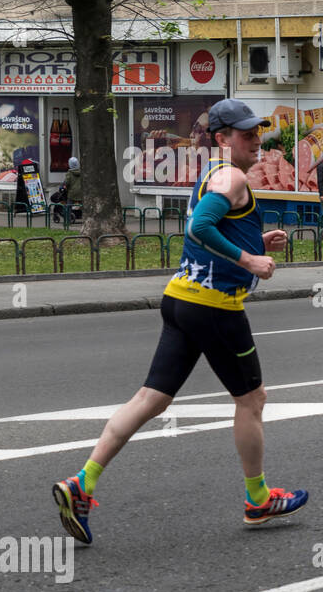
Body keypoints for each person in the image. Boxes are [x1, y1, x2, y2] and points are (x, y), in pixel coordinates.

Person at [52, 99, 308, 545]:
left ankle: (83, 482)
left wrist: (256, 239)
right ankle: (258, 498)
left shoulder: (212, 174)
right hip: (215, 308)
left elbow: (213, 227)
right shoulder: (232, 176)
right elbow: (199, 230)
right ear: (222, 139)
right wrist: (250, 258)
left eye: (257, 132)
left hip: (180, 300)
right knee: (252, 399)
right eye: (245, 133)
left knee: (152, 398)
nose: (255, 140)